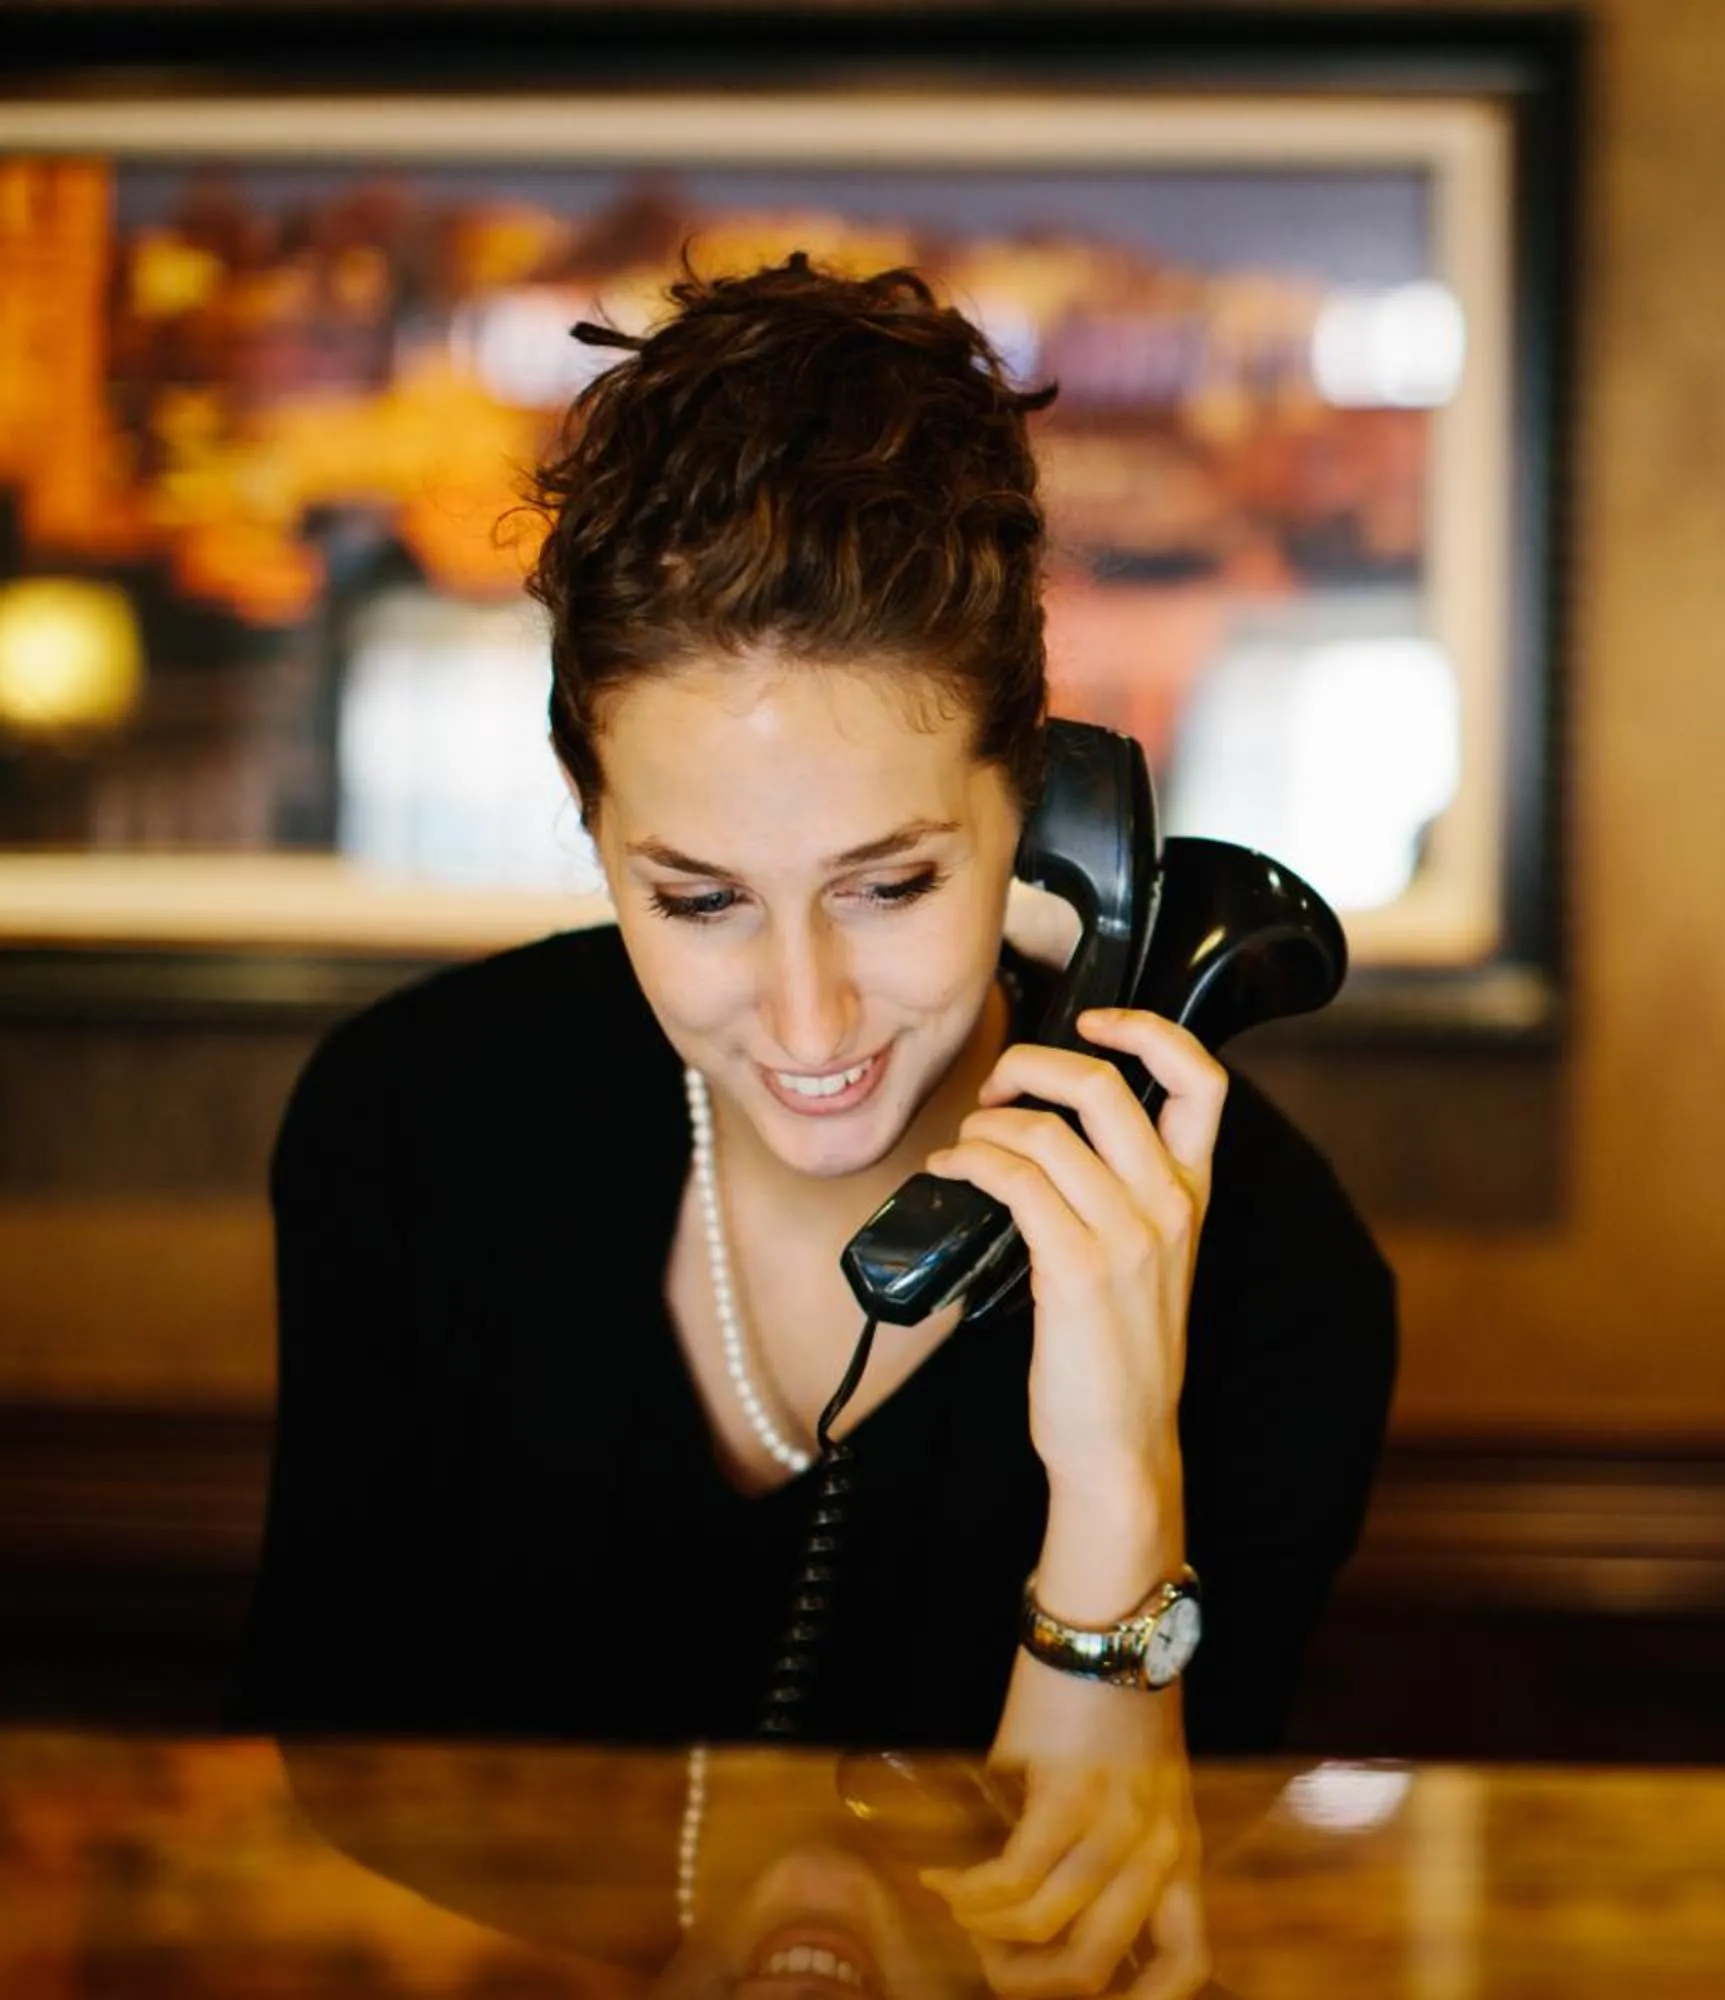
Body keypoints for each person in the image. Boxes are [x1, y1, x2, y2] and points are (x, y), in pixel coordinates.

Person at [230, 257, 1400, 1799]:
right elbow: (315, 1821)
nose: (806, 1016)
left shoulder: (1273, 1270)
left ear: (1048, 818)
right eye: (701, 901)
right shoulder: (406, 1131)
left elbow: (1097, 1937)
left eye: (890, 884)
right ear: (594, 829)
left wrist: (1115, 1475)